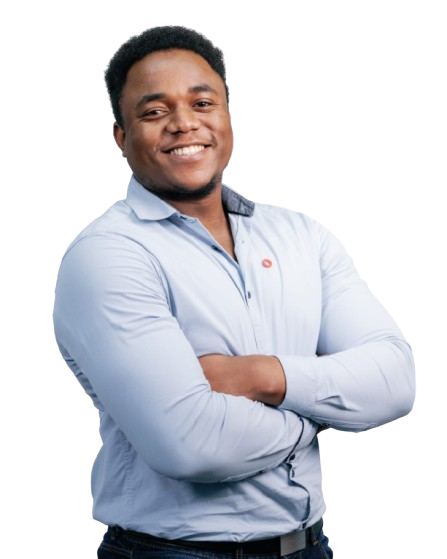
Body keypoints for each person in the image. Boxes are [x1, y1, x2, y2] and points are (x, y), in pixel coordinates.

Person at [52, 25, 416, 558]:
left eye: (202, 103)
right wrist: (328, 410)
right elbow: (192, 446)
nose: (184, 123)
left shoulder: (302, 235)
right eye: (154, 111)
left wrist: (260, 376)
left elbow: (395, 382)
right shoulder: (108, 256)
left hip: (310, 546)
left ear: (227, 118)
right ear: (121, 137)